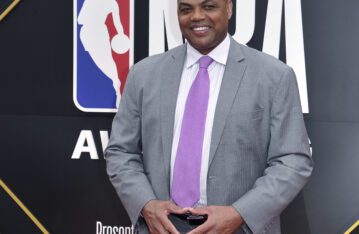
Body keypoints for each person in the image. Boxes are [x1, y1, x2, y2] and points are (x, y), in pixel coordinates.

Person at [105, 0, 313, 233]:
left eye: (208, 6)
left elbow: (293, 161)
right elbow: (120, 152)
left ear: (229, 8)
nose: (196, 16)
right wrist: (147, 205)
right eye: (186, 9)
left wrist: (239, 213)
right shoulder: (143, 75)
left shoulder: (274, 76)